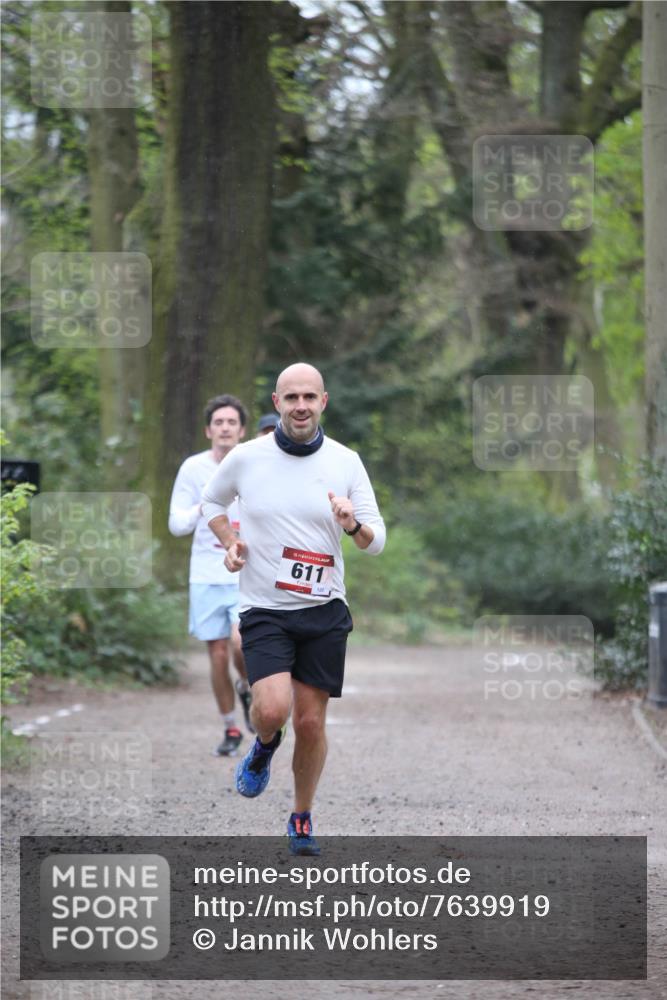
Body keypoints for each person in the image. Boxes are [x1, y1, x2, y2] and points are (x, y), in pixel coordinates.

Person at [201, 363, 385, 855]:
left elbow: (375, 541)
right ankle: (263, 745)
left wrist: (351, 524)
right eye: (291, 397)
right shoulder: (246, 457)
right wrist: (230, 541)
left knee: (309, 722)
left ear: (324, 401)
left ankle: (301, 817)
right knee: (273, 711)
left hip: (324, 609)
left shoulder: (346, 461)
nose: (300, 406)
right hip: (265, 608)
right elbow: (211, 501)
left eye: (309, 397)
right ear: (278, 402)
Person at [169, 394, 254, 757]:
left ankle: (248, 687)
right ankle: (230, 727)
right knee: (217, 654)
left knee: (240, 642)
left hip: (245, 575)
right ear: (208, 430)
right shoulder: (192, 469)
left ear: (241, 430)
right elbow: (176, 525)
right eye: (218, 422)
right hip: (204, 574)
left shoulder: (254, 464)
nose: (224, 428)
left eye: (231, 422)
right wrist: (205, 505)